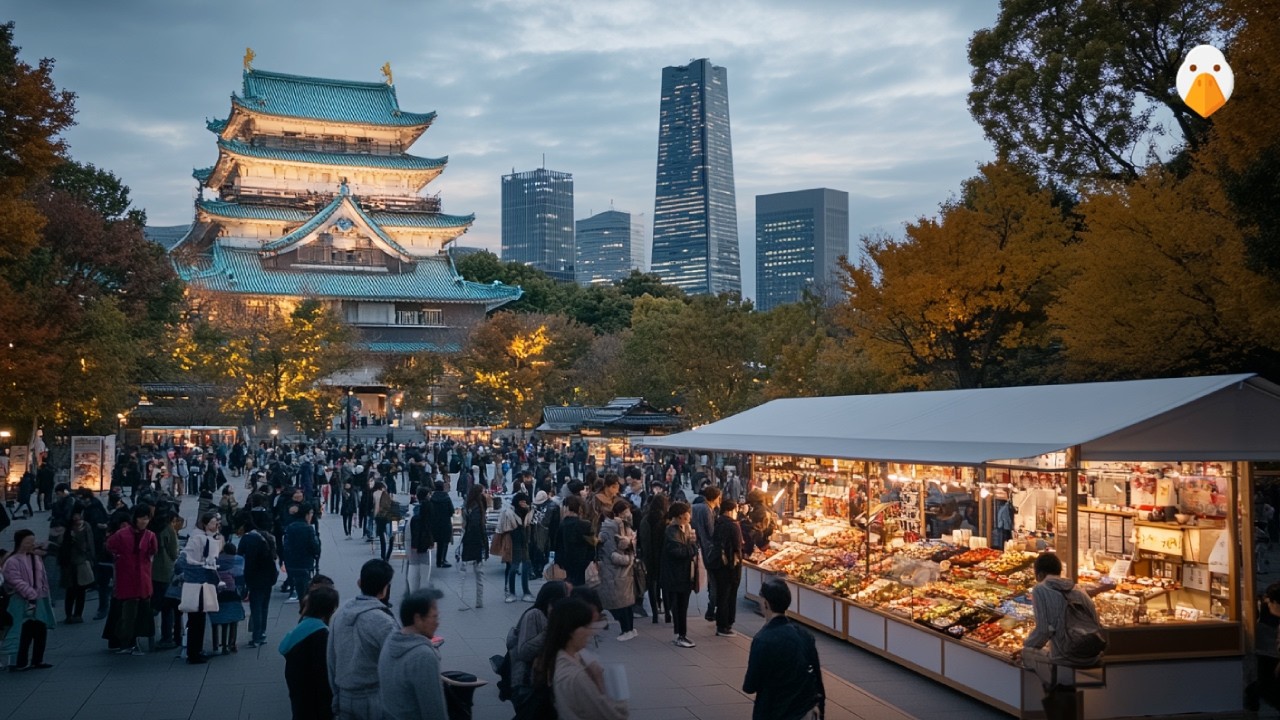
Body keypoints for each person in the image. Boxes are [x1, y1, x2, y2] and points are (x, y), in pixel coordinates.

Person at [1013, 552, 1104, 699]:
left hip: (1066, 656)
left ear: (1039, 574)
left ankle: (1053, 694)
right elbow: (1096, 622)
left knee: (1024, 655)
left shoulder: (1040, 590)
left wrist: (1026, 646)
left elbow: (1042, 632)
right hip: (1092, 654)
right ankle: (1062, 691)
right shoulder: (1078, 589)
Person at [534, 597, 629, 720]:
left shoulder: (560, 658)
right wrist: (616, 688)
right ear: (572, 631)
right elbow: (614, 716)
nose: (589, 632)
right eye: (586, 626)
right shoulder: (576, 676)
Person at [743, 578, 825, 720]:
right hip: (802, 710)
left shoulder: (763, 640)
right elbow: (817, 678)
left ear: (766, 603)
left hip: (774, 710)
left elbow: (750, 685)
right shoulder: (805, 635)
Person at [328, 558, 398, 720]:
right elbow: (397, 666)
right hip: (374, 698)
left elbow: (331, 657)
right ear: (385, 589)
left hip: (344, 695)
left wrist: (337, 694)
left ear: (359, 583)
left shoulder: (341, 612)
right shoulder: (383, 622)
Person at [378, 588, 449, 720]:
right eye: (434, 616)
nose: (437, 622)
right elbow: (434, 710)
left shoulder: (391, 640)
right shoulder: (423, 655)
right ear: (418, 618)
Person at [510, 581, 571, 717]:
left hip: (545, 681)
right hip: (528, 681)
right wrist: (550, 629)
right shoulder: (534, 615)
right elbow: (524, 652)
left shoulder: (555, 617)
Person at [280, 585, 339, 720]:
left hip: (299, 691)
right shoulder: (321, 634)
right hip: (316, 698)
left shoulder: (303, 627)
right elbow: (324, 675)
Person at [105, 505, 158, 655]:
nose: (144, 521)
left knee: (141, 612)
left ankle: (132, 641)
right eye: (142, 518)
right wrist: (119, 557)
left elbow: (153, 551)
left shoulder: (150, 535)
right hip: (127, 579)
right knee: (128, 613)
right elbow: (110, 545)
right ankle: (125, 642)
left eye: (146, 519)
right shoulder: (122, 534)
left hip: (143, 580)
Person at [3, 530, 56, 671]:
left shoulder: (35, 558)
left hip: (39, 599)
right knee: (23, 631)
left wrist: (43, 593)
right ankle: (19, 661)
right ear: (20, 542)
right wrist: (30, 593)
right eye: (28, 542)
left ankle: (37, 660)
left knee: (40, 629)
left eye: (32, 541)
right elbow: (15, 580)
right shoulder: (12, 561)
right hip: (21, 601)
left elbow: (42, 577)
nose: (31, 544)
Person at [181, 511, 224, 664]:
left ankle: (196, 650)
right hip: (198, 582)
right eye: (213, 522)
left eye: (217, 522)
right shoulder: (200, 539)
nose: (216, 525)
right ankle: (194, 653)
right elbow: (186, 560)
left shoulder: (206, 538)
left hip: (201, 582)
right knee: (196, 618)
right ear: (205, 524)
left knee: (198, 618)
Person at [598, 499, 637, 641]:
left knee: (624, 603)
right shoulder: (610, 527)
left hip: (622, 572)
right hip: (615, 571)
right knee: (619, 603)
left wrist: (629, 548)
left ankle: (629, 629)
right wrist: (629, 558)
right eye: (625, 511)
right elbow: (612, 554)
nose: (628, 514)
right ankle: (626, 629)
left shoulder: (625, 525)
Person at [239, 510, 279, 648]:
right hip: (268, 575)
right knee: (264, 606)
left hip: (254, 576)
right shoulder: (267, 536)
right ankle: (261, 633)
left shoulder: (248, 538)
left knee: (255, 606)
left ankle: (256, 635)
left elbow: (241, 557)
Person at [662, 501, 699, 648]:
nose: (689, 515)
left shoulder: (685, 528)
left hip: (683, 574)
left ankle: (681, 634)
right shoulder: (671, 531)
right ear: (680, 516)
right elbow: (677, 553)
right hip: (675, 575)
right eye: (687, 513)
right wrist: (692, 548)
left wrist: (692, 544)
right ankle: (680, 635)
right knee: (679, 606)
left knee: (682, 605)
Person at [709, 497, 745, 637]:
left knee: (722, 594)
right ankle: (725, 625)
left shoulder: (718, 522)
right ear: (730, 511)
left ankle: (721, 624)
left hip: (719, 564)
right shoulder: (733, 525)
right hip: (731, 566)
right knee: (729, 595)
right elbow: (737, 547)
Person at [57, 508, 95, 624]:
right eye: (75, 516)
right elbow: (61, 544)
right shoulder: (67, 527)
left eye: (79, 516)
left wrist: (92, 559)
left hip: (81, 562)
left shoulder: (86, 527)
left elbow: (89, 545)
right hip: (68, 563)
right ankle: (68, 615)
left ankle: (78, 614)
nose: (77, 519)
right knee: (70, 591)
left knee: (81, 590)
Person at [152, 511, 183, 649]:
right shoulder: (168, 530)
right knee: (168, 606)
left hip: (152, 570)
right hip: (166, 570)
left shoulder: (153, 528)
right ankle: (167, 636)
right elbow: (173, 552)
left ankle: (154, 634)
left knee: (156, 605)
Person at [209, 540, 245, 654]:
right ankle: (231, 644)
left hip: (217, 593)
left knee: (216, 619)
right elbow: (240, 576)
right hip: (232, 592)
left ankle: (216, 645)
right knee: (233, 619)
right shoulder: (237, 560)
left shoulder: (216, 559)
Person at [638, 494, 669, 624]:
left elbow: (642, 539)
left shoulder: (645, 519)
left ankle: (655, 614)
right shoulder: (665, 520)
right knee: (665, 586)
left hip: (649, 557)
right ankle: (668, 613)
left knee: (652, 585)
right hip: (663, 557)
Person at [691, 486, 721, 622]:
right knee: (714, 580)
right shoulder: (707, 510)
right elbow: (711, 531)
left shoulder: (696, 507)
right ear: (715, 498)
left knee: (711, 579)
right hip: (708, 548)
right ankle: (711, 607)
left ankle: (711, 604)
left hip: (700, 546)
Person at [498, 492, 533, 603]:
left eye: (525, 501)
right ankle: (511, 592)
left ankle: (526, 591)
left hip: (525, 542)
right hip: (513, 542)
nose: (523, 503)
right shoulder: (510, 513)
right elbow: (503, 528)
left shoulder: (529, 512)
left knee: (526, 565)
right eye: (521, 501)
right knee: (514, 566)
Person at [283, 505, 321, 604]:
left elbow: (286, 546)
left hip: (292, 563)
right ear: (306, 515)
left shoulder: (290, 527)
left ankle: (297, 597)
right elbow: (314, 547)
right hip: (305, 563)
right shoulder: (308, 529)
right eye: (311, 513)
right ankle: (305, 610)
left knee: (300, 588)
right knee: (305, 590)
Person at [557, 495, 595, 587]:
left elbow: (558, 545)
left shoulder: (562, 525)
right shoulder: (586, 525)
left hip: (566, 562)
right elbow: (592, 544)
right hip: (583, 561)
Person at [406, 487, 435, 591]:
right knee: (423, 568)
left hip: (414, 541)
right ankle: (421, 591)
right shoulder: (426, 507)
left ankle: (414, 591)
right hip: (421, 541)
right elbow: (427, 526)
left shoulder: (414, 509)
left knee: (413, 565)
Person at [429, 480, 455, 568]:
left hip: (434, 523)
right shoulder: (446, 498)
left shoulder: (432, 498)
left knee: (437, 541)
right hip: (445, 522)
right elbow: (452, 511)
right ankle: (442, 559)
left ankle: (438, 560)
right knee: (444, 542)